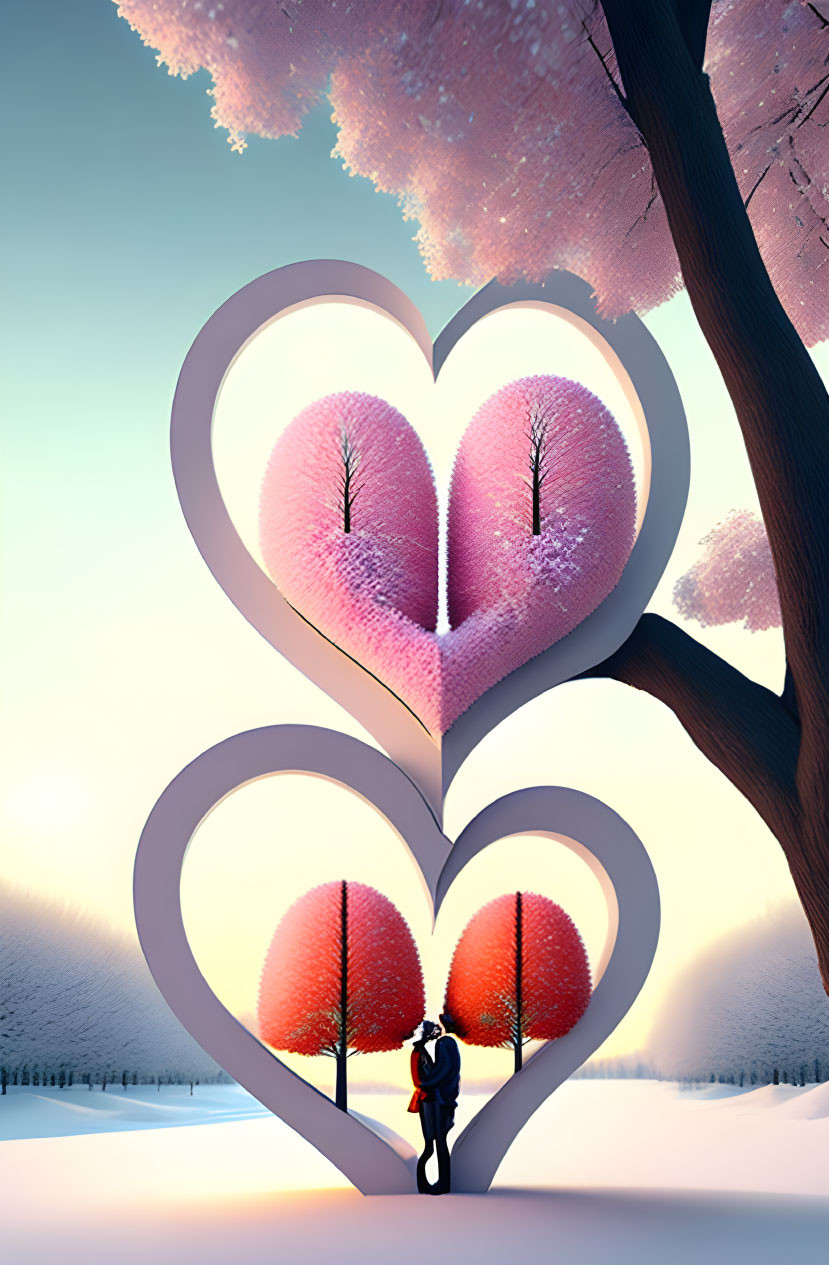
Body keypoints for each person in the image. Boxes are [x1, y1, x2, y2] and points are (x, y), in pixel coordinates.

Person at [409, 1014, 461, 1194]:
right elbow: (442, 1070)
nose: (436, 1031)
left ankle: (442, 1182)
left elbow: (444, 1069)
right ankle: (437, 1182)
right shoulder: (435, 1046)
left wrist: (428, 1083)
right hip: (434, 1097)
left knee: (437, 1141)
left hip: (436, 1098)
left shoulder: (445, 1043)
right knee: (436, 1142)